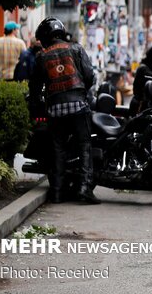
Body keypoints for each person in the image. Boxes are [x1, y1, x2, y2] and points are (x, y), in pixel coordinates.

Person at [29, 17, 99, 204]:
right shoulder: (76, 49)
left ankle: (57, 192)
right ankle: (84, 190)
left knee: (57, 150)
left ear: (45, 37)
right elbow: (90, 76)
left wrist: (38, 106)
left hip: (55, 110)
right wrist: (83, 93)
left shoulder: (41, 56)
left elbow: (34, 88)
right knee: (84, 146)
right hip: (78, 107)